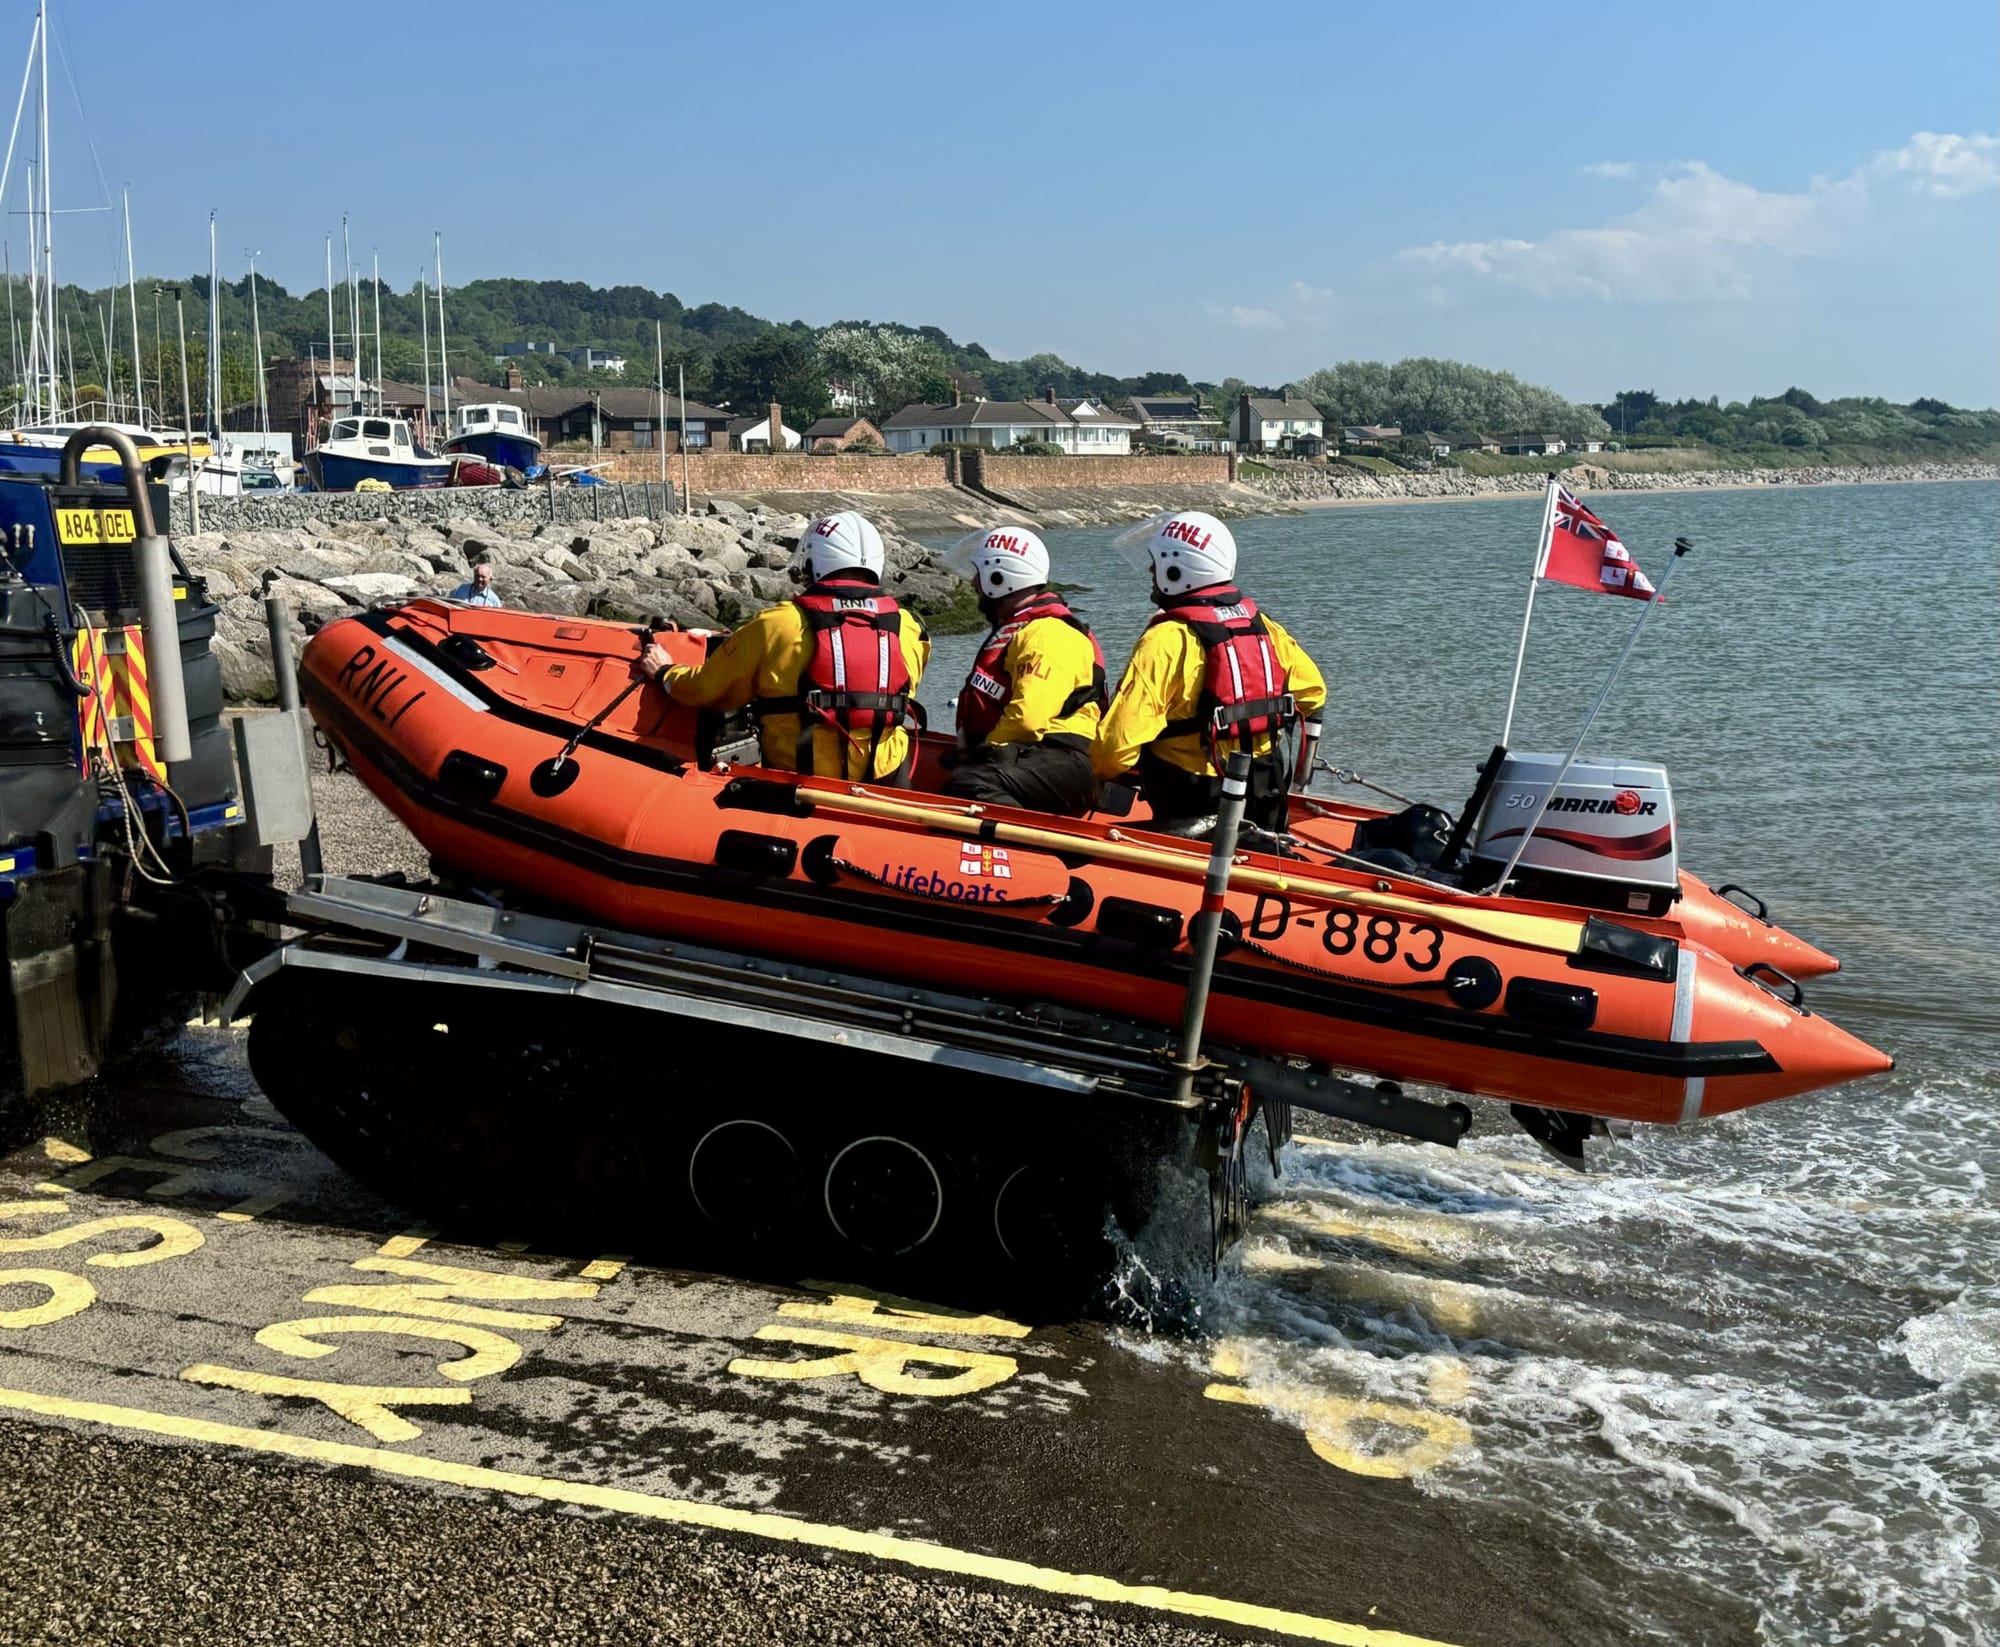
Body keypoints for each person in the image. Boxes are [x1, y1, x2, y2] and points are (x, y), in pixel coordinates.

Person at [636, 509, 929, 783]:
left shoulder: (777, 624)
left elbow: (707, 690)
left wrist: (665, 671)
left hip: (801, 783)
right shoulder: (908, 627)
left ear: (814, 566)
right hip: (888, 778)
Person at [1093, 510, 1325, 830]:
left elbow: (1114, 749)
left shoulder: (1165, 639)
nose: (1150, 570)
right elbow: (1314, 693)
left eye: (1156, 562)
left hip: (1193, 801)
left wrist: (1090, 771)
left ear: (1177, 570)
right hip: (1265, 791)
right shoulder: (1263, 627)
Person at [938, 525, 1106, 816]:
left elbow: (1028, 718)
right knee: (957, 773)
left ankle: (1026, 851)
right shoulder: (1026, 630)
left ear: (998, 577)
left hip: (1060, 759)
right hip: (1033, 756)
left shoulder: (1047, 634)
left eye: (979, 575)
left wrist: (984, 752)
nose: (974, 584)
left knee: (969, 784)